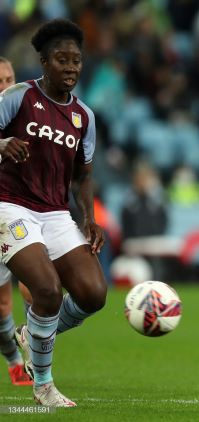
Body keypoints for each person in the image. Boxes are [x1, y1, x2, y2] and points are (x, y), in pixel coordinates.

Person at [0, 19, 107, 407]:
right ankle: (43, 384)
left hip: (55, 213)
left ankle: (33, 334)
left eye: (76, 61)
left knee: (94, 294)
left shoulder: (84, 116)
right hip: (9, 205)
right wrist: (2, 143)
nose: (71, 68)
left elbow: (84, 175)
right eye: (62, 60)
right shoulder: (18, 96)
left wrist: (90, 218)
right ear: (44, 62)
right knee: (46, 290)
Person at [0, 56, 34, 386]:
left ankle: (36, 350)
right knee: (1, 305)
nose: (5, 86)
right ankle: (13, 362)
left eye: (9, 78)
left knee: (36, 284)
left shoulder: (25, 115)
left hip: (20, 212)